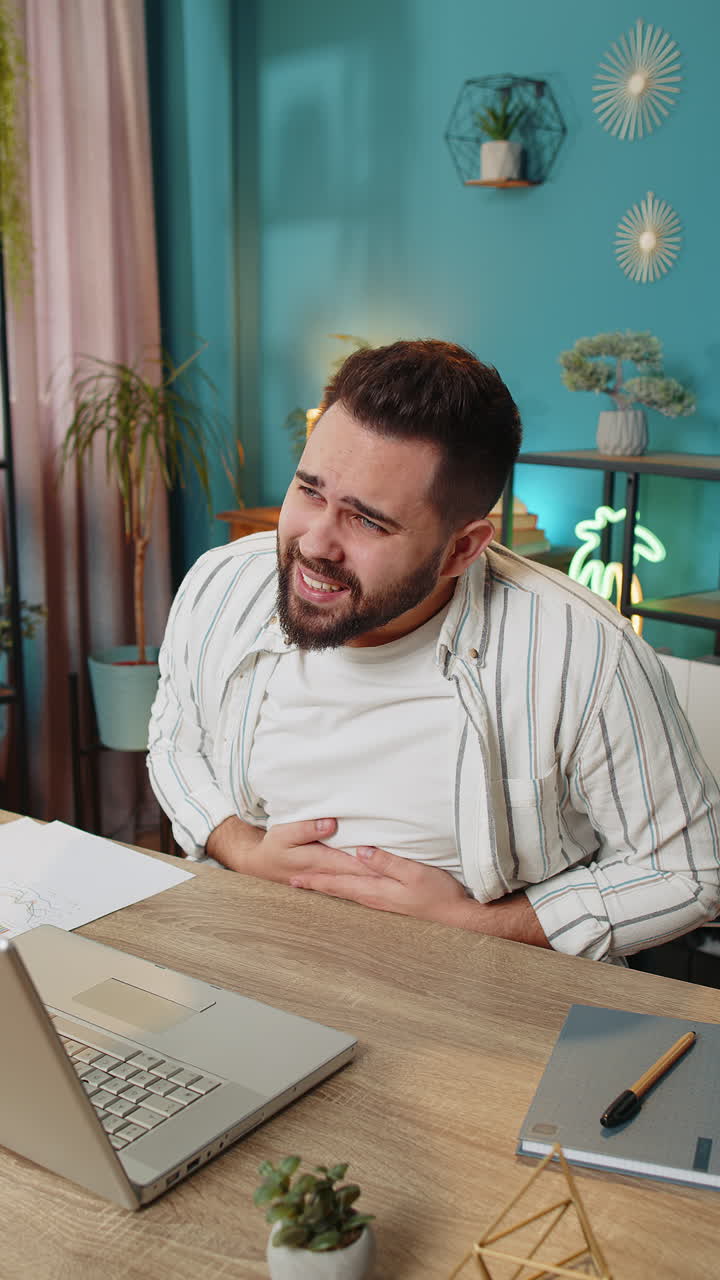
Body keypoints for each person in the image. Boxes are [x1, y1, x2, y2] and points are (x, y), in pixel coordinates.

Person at [147, 339, 720, 962]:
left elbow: (689, 873)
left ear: (462, 548)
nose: (315, 543)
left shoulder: (584, 654)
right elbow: (177, 741)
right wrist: (239, 848)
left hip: (481, 1004)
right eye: (310, 491)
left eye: (367, 521)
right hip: (253, 963)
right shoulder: (221, 585)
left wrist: (477, 923)